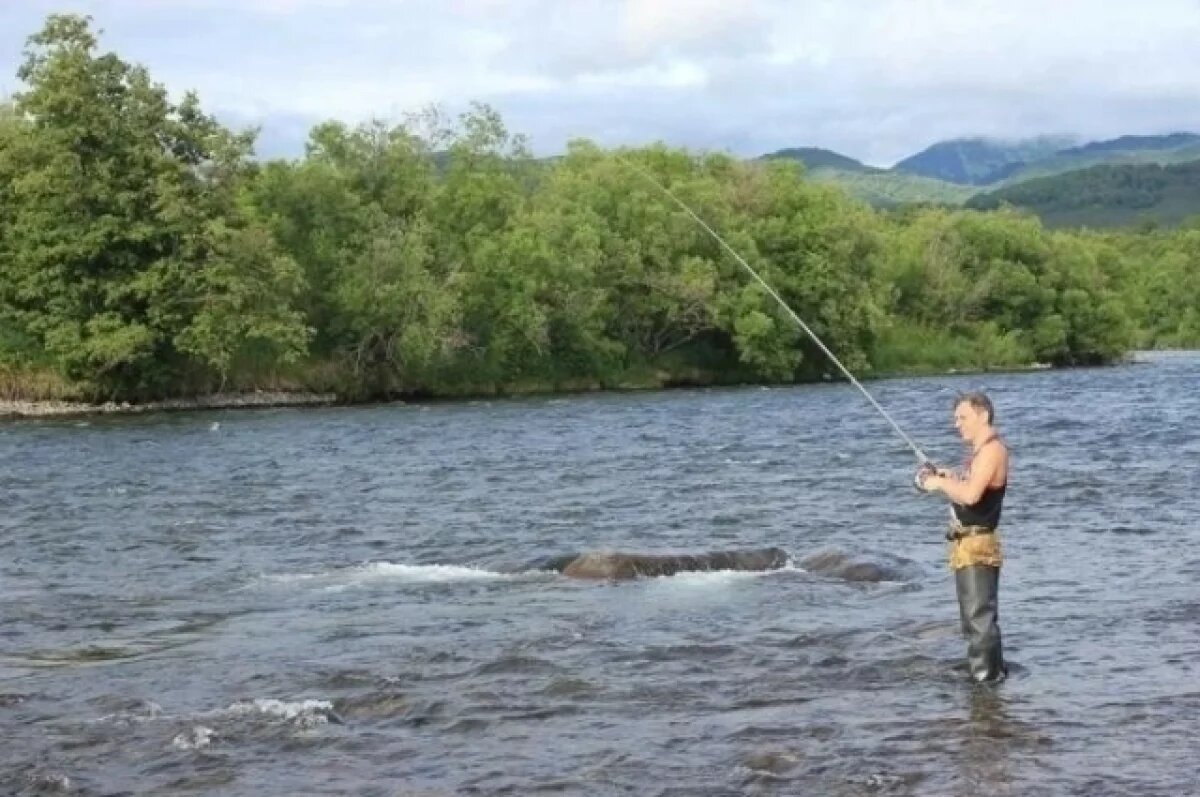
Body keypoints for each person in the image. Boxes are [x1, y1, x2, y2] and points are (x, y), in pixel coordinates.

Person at [917, 391, 1009, 683]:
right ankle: (991, 680)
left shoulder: (992, 450)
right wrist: (950, 476)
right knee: (975, 621)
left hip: (978, 546)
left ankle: (985, 686)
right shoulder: (982, 452)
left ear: (982, 415)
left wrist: (939, 484)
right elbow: (972, 488)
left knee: (979, 620)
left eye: (963, 417)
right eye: (955, 418)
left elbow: (970, 496)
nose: (957, 424)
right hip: (969, 545)